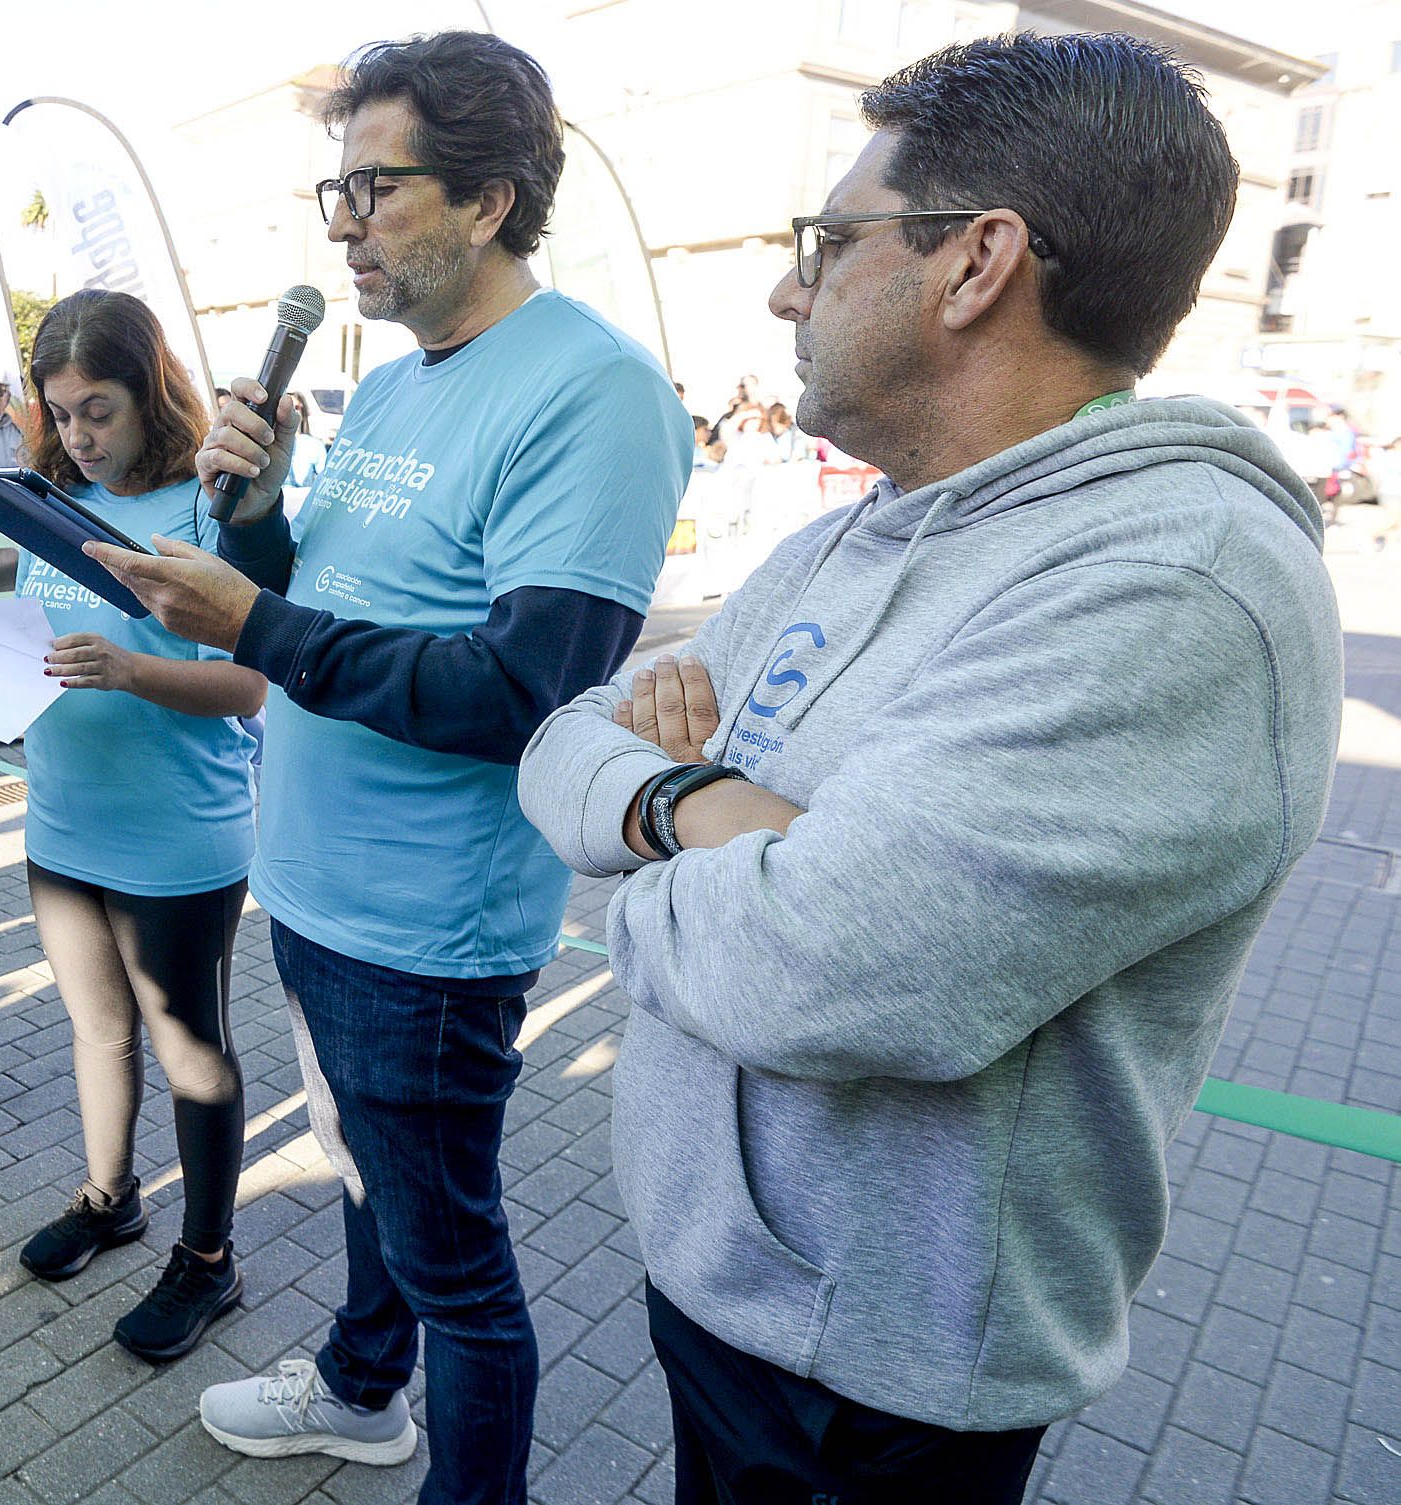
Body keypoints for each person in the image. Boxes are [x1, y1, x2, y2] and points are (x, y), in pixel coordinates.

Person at [518, 33, 1341, 1505]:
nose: (788, 286)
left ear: (977, 264)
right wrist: (700, 810)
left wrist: (622, 870)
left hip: (876, 1385)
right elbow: (560, 746)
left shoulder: (1175, 586)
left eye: (827, 242)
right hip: (724, 1290)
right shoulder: (854, 531)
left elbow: (824, 969)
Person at [85, 34, 690, 1503]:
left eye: (376, 188)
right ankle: (362, 1387)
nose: (341, 224)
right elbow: (335, 615)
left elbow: (519, 694)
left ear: (488, 200)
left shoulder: (593, 393)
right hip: (316, 884)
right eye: (332, 190)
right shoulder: (407, 374)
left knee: (458, 1267)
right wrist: (260, 526)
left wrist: (257, 615)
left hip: (424, 927)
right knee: (370, 1182)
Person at [0, 289, 266, 1360]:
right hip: (61, 819)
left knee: (190, 1050)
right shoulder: (18, 500)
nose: (78, 434)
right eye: (61, 411)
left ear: (150, 389)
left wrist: (127, 670)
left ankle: (209, 1260)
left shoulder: (208, 509)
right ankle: (108, 1196)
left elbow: (252, 684)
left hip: (179, 832)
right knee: (95, 1028)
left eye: (99, 410)